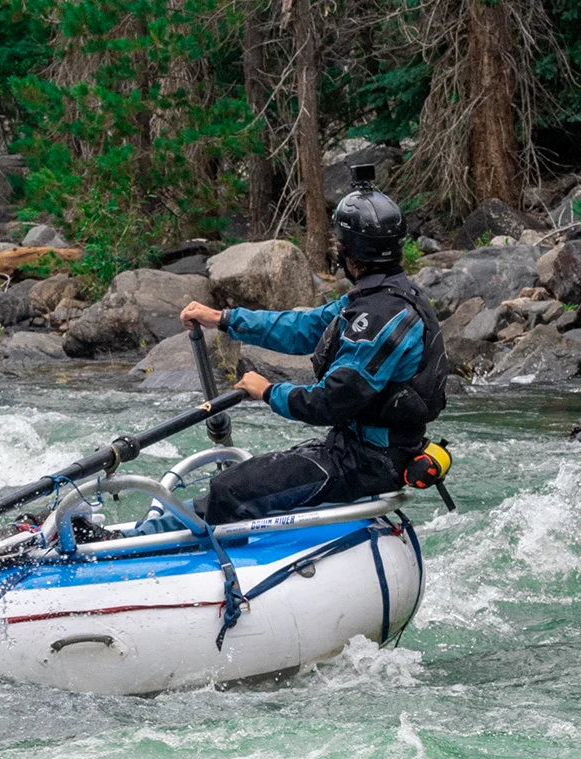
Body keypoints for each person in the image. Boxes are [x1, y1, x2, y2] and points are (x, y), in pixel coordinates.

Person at [154, 168, 448, 528]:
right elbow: (303, 328)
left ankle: (140, 543)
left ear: (348, 254)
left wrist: (269, 392)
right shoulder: (382, 298)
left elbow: (331, 401)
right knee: (247, 477)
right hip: (355, 449)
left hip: (369, 461)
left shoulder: (381, 318)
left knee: (231, 488)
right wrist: (225, 319)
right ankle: (154, 531)